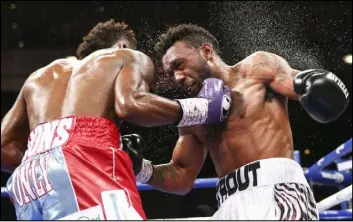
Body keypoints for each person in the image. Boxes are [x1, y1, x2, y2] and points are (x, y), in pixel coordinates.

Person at [1, 20, 232, 220]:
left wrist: (50, 161)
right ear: (121, 47)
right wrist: (202, 108)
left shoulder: (40, 76)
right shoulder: (125, 56)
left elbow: (4, 148)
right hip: (83, 160)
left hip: (29, 180)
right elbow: (130, 104)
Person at [125, 24, 350, 220]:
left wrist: (316, 83)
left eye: (179, 65)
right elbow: (182, 177)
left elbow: (301, 86)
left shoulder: (257, 69)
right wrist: (142, 169)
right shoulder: (194, 116)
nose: (177, 78)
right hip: (229, 204)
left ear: (206, 51)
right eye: (170, 72)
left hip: (279, 192)